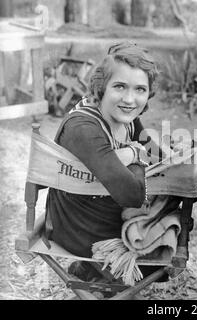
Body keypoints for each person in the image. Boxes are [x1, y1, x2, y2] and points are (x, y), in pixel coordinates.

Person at [44, 42, 163, 281]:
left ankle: (92, 273)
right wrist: (136, 154)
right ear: (102, 87)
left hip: (98, 210)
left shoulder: (126, 117)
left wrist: (138, 152)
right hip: (78, 227)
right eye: (120, 86)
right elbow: (132, 194)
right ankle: (97, 271)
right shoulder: (83, 127)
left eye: (140, 89)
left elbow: (155, 153)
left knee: (175, 208)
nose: (130, 99)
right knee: (159, 240)